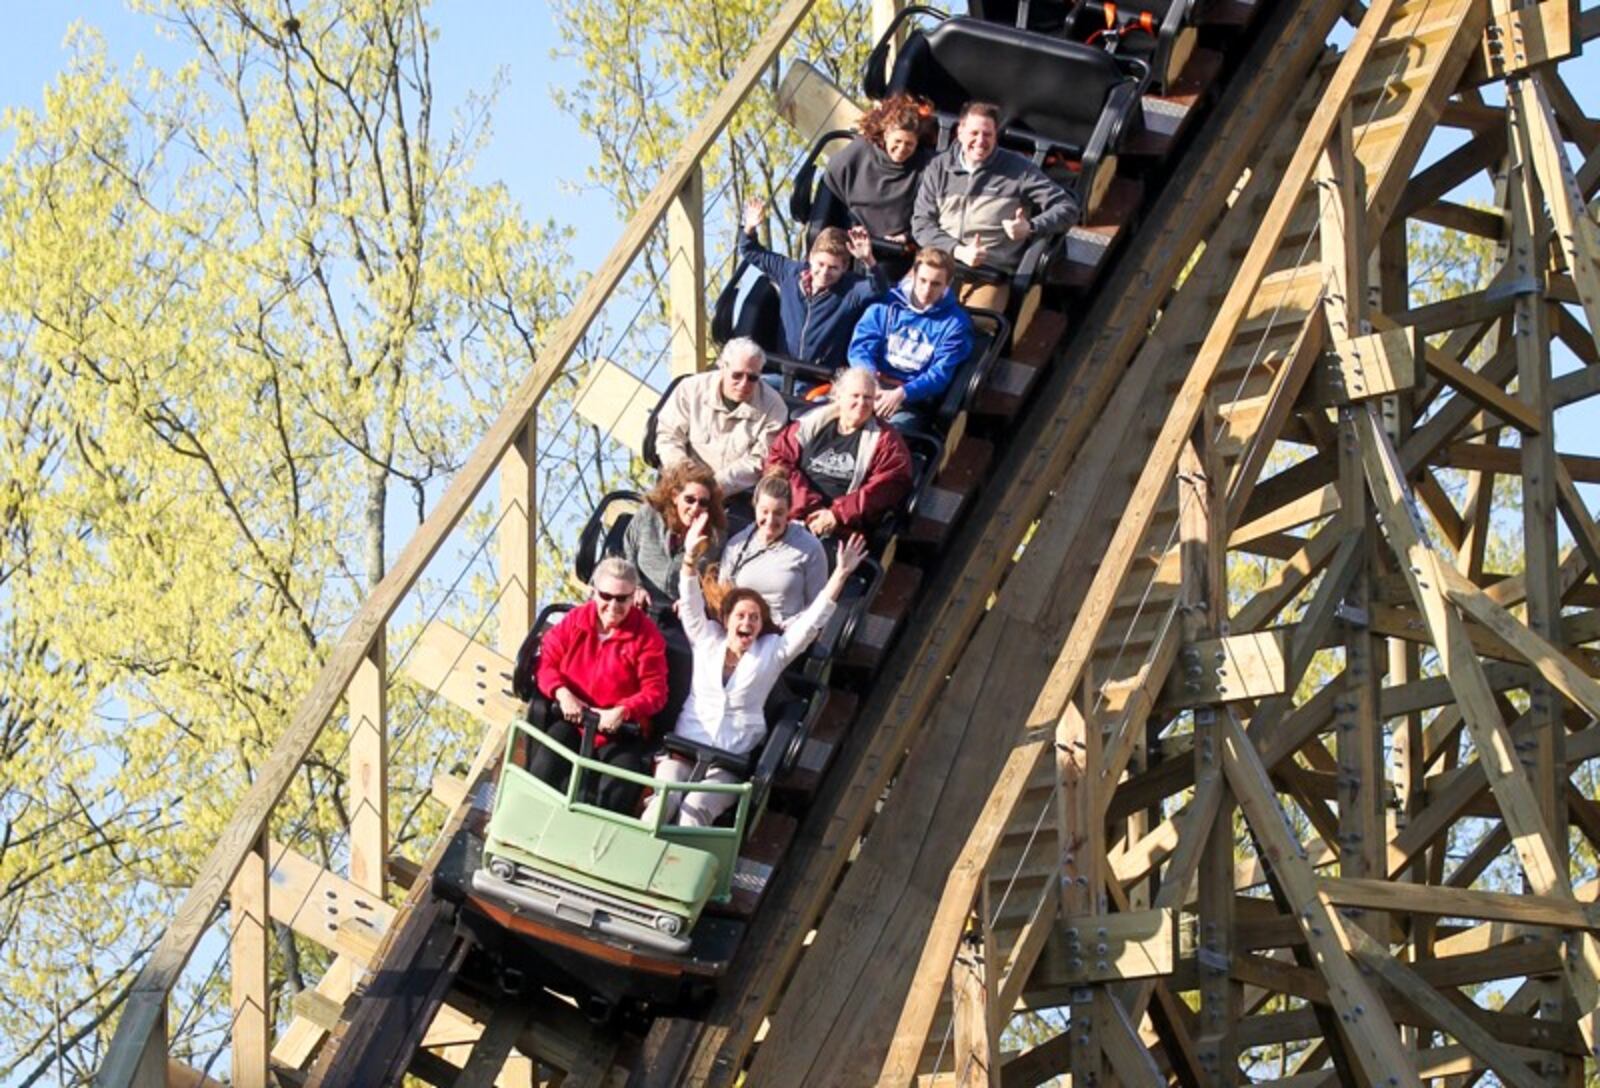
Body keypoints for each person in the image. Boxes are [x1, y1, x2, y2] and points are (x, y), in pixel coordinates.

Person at [651, 513, 868, 827]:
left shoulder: (771, 653)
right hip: (686, 746)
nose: (747, 623)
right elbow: (690, 602)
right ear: (726, 621)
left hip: (728, 759)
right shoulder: (706, 639)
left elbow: (811, 623)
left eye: (754, 618)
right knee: (664, 799)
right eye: (740, 616)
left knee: (692, 810)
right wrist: (690, 557)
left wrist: (841, 575)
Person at [531, 557, 669, 813]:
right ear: (594, 592)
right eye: (606, 596)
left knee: (617, 790)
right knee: (546, 764)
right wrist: (562, 693)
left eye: (622, 599)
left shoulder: (646, 636)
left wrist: (624, 710)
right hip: (573, 720)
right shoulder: (576, 620)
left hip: (619, 732)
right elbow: (546, 660)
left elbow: (656, 691)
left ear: (633, 598)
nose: (613, 606)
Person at [911, 101, 1077, 312]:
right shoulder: (939, 167)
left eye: (987, 134)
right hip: (937, 265)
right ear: (960, 131)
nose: (980, 141)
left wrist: (1030, 227)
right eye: (974, 133)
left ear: (996, 135)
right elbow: (921, 224)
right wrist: (958, 251)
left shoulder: (1019, 170)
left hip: (990, 273)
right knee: (901, 309)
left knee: (969, 325)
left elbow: (1068, 208)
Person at [763, 367, 913, 539]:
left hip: (841, 529)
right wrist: (809, 506)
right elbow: (779, 462)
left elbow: (887, 487)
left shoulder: (887, 441)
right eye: (855, 396)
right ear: (838, 397)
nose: (861, 403)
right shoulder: (808, 424)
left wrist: (835, 514)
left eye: (868, 397)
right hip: (790, 514)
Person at [739, 198, 885, 370]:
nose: (824, 272)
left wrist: (868, 259)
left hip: (819, 380)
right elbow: (751, 251)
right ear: (810, 258)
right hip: (783, 371)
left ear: (845, 267)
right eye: (820, 264)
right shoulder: (790, 273)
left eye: (833, 268)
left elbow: (879, 289)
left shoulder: (850, 289)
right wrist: (749, 227)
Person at [847, 247, 975, 429]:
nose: (926, 289)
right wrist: (870, 382)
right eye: (922, 280)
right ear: (914, 275)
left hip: (910, 399)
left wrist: (903, 393)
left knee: (888, 432)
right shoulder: (886, 304)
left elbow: (940, 374)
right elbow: (861, 348)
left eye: (936, 284)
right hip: (868, 384)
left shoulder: (956, 324)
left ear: (948, 284)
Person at [812, 93, 936, 275]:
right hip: (851, 236)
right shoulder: (859, 152)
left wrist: (907, 237)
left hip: (893, 250)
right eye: (898, 142)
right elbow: (832, 184)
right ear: (886, 134)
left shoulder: (925, 168)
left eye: (909, 144)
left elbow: (930, 212)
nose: (902, 149)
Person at [653, 338, 789, 497]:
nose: (744, 383)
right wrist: (686, 476)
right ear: (723, 367)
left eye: (752, 378)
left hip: (734, 495)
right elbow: (668, 436)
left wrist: (716, 486)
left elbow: (760, 461)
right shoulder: (690, 389)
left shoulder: (774, 408)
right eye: (737, 375)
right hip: (680, 485)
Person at [718, 469, 830, 626]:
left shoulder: (810, 548)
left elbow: (816, 607)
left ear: (789, 511)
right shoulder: (737, 544)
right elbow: (722, 593)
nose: (770, 520)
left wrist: (790, 630)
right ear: (754, 507)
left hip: (783, 635)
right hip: (742, 628)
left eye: (778, 513)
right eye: (764, 512)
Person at [617, 462, 726, 611]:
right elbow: (627, 551)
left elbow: (712, 581)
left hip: (677, 613)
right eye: (690, 500)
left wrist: (692, 601)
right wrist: (635, 586)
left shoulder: (715, 538)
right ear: (675, 496)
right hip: (636, 601)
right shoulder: (649, 514)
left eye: (703, 503)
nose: (695, 508)